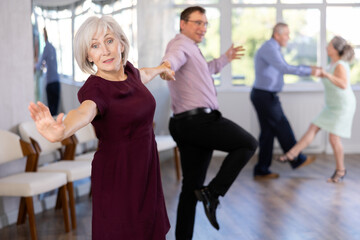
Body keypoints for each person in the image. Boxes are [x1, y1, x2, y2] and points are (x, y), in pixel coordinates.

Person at [28, 15, 175, 240]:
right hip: (118, 174)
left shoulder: (131, 73)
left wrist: (161, 68)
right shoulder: (95, 90)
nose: (105, 51)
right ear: (89, 55)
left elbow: (144, 74)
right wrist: (62, 130)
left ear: (121, 44)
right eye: (95, 46)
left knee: (149, 229)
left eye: (109, 41)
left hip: (146, 168)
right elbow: (84, 112)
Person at [161, 6, 258, 240]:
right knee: (247, 144)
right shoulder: (181, 45)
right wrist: (166, 67)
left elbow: (204, 70)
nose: (202, 28)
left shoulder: (192, 49)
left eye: (205, 24)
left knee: (190, 187)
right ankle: (212, 194)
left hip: (185, 124)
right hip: (199, 122)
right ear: (183, 23)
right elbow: (172, 59)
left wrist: (225, 59)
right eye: (197, 23)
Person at [280, 36, 356, 183]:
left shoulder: (340, 64)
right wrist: (316, 70)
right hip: (331, 106)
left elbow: (343, 84)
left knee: (334, 138)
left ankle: (340, 170)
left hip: (342, 106)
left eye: (329, 45)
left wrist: (325, 74)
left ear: (335, 49)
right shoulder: (332, 63)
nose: (326, 47)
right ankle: (292, 154)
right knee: (313, 127)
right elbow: (325, 74)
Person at [250, 22, 319, 180]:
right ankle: (296, 158)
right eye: (286, 34)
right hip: (265, 96)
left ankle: (261, 169)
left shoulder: (274, 48)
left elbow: (283, 67)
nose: (288, 37)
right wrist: (310, 70)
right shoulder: (270, 48)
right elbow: (285, 68)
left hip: (264, 94)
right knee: (282, 124)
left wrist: (308, 68)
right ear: (277, 35)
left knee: (267, 133)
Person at [35, 28, 61, 115]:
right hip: (57, 82)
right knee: (55, 110)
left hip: (50, 83)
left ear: (44, 36)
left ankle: (52, 127)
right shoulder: (53, 48)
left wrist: (35, 66)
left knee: (51, 111)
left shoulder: (46, 48)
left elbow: (38, 66)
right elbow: (50, 63)